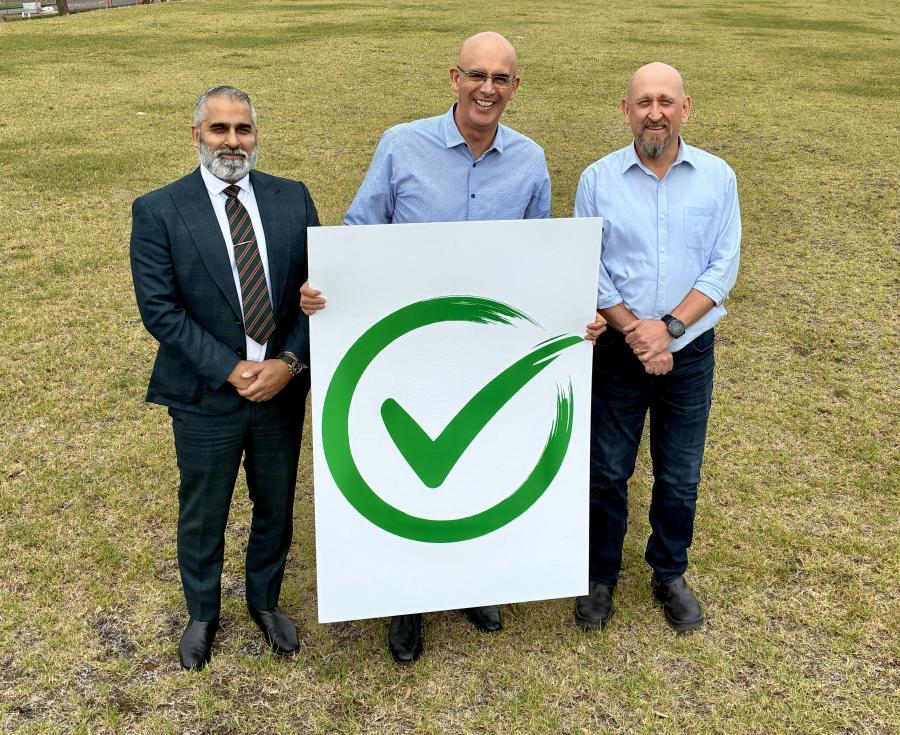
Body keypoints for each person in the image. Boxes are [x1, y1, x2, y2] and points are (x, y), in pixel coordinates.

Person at [302, 31, 606, 663]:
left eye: (501, 79)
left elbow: (539, 256)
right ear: (454, 78)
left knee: (487, 459)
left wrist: (574, 315)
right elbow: (360, 233)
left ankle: (475, 582)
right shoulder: (401, 144)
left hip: (486, 347)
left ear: (515, 88)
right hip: (410, 345)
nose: (487, 89)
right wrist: (325, 289)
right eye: (477, 75)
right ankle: (408, 602)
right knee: (403, 469)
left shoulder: (529, 160)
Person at [130, 86, 319, 670]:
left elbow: (320, 295)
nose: (232, 142)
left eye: (243, 130)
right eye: (220, 130)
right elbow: (160, 310)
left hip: (281, 390)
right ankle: (204, 613)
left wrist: (286, 365)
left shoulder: (293, 199)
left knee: (275, 504)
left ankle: (265, 601)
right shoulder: (160, 209)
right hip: (206, 394)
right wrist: (233, 369)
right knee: (205, 507)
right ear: (196, 136)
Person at [573, 62, 740, 632]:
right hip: (618, 352)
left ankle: (669, 573)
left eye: (666, 100)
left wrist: (667, 329)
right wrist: (635, 331)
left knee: (679, 474)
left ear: (685, 109)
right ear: (625, 111)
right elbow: (589, 267)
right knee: (606, 470)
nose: (655, 112)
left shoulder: (719, 177)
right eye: (643, 101)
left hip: (689, 351)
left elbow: (722, 267)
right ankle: (600, 577)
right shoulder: (597, 179)